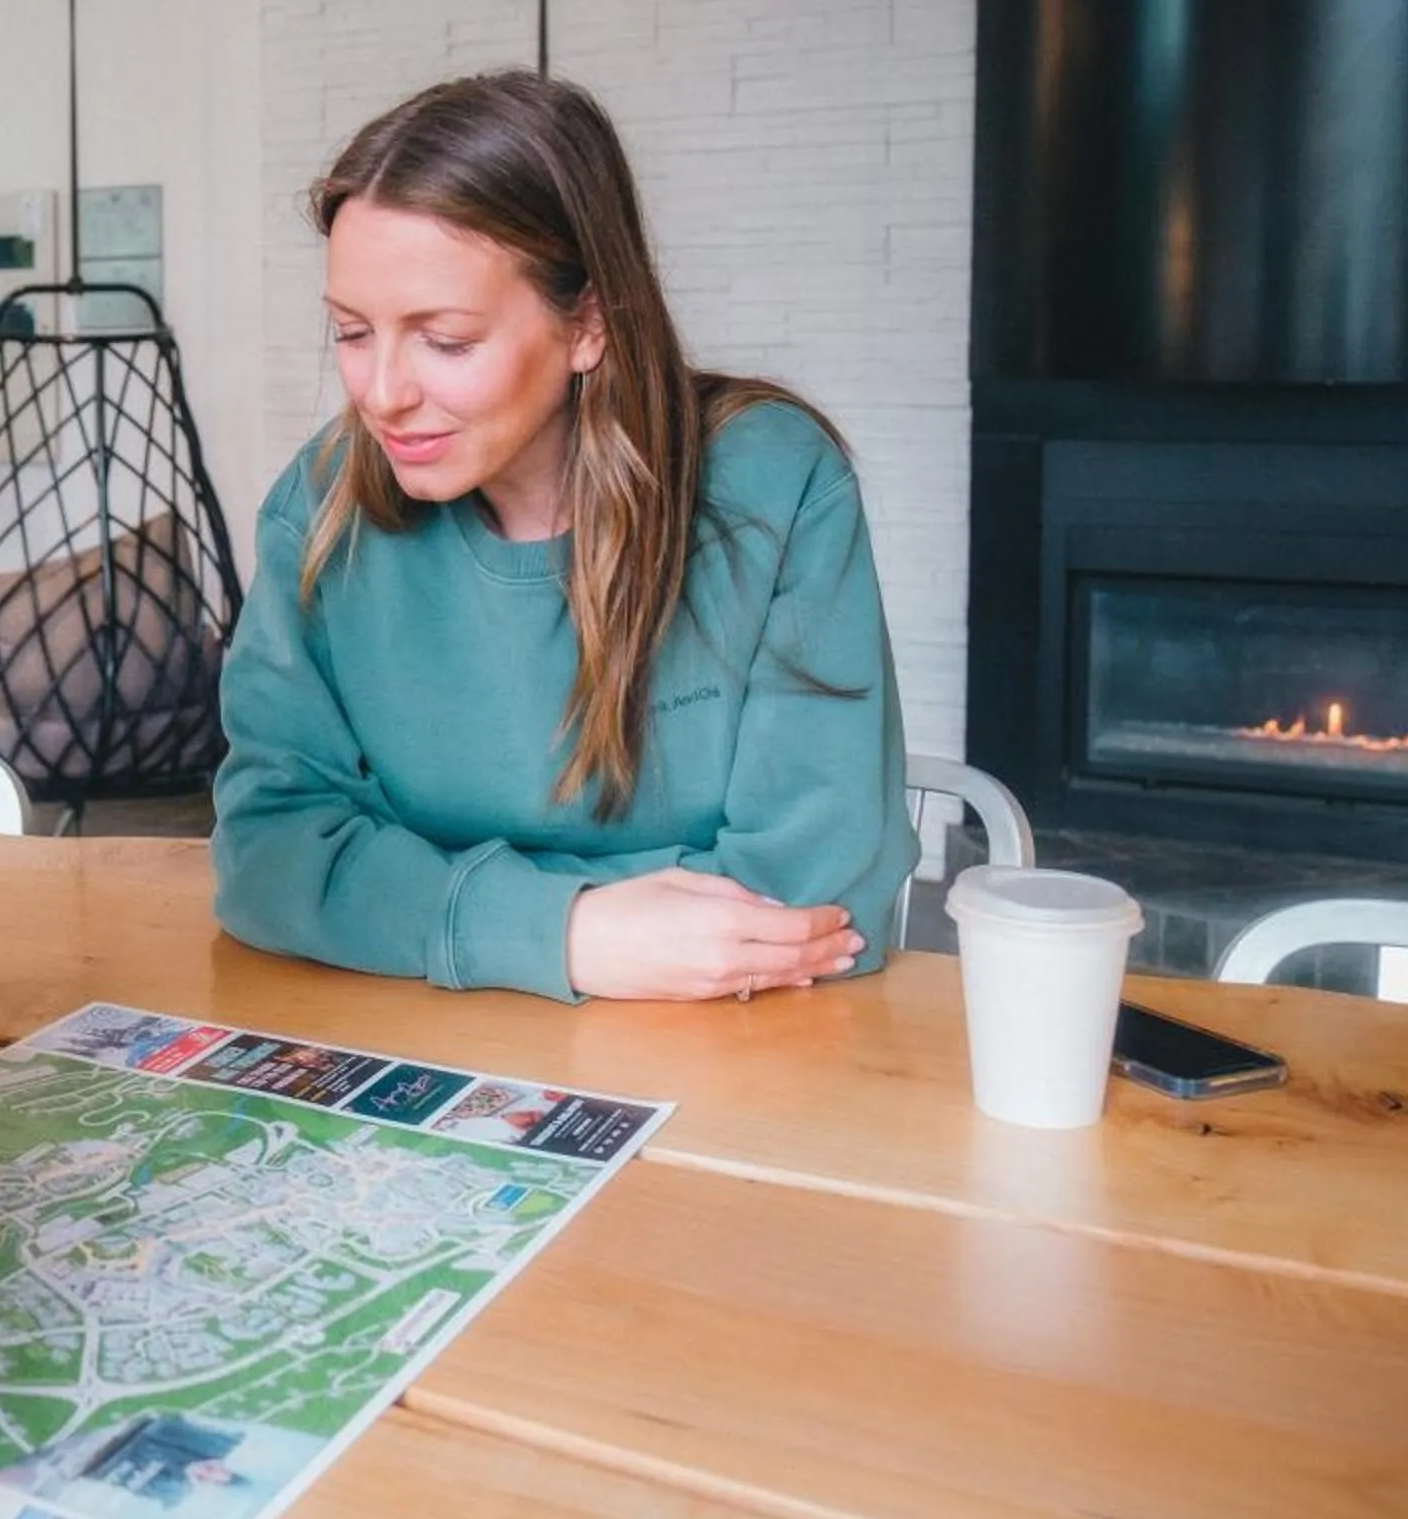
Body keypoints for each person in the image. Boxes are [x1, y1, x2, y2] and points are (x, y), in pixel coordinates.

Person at [214, 71, 917, 1005]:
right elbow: (268, 855)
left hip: (733, 1054)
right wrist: (573, 933)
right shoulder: (321, 504)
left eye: (446, 341)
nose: (381, 393)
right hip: (414, 1032)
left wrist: (403, 887)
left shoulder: (774, 484)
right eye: (351, 331)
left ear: (586, 322)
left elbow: (815, 904)